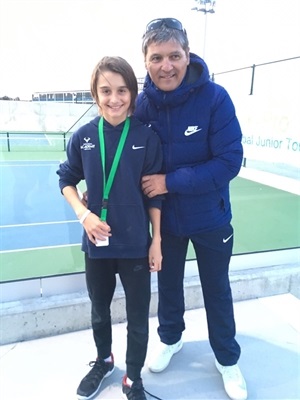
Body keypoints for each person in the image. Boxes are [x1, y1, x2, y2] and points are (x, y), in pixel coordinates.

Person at [134, 18, 247, 400]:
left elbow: (229, 161)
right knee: (167, 286)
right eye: (157, 57)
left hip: (211, 219)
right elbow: (127, 161)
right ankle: (171, 339)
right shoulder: (140, 106)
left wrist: (170, 181)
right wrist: (95, 195)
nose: (166, 66)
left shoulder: (215, 98)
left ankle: (228, 360)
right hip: (165, 223)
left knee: (217, 289)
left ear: (187, 56)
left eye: (174, 56)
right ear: (146, 61)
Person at [57, 56, 163, 400]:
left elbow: (153, 196)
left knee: (137, 317)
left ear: (132, 94)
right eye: (106, 91)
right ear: (95, 93)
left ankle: (133, 378)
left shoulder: (146, 136)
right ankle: (104, 360)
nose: (114, 98)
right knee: (99, 309)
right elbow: (67, 180)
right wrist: (83, 215)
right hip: (96, 243)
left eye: (121, 90)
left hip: (134, 244)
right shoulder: (84, 136)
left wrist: (156, 239)